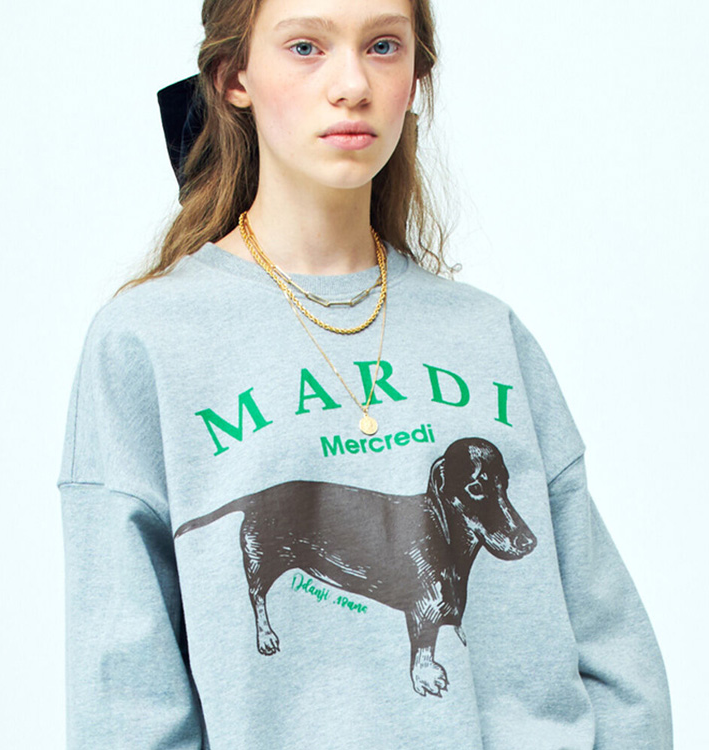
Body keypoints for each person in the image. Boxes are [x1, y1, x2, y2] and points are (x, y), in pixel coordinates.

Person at [56, 0, 673, 747]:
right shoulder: (148, 342)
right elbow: (125, 697)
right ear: (233, 77)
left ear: (415, 78)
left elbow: (615, 654)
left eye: (383, 45)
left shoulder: (488, 334)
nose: (352, 84)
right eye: (306, 47)